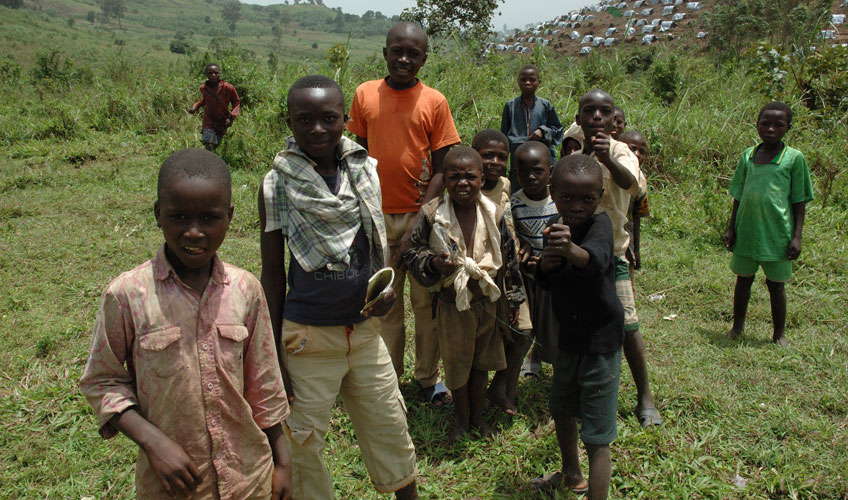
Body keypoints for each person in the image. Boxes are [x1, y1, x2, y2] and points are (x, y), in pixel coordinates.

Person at [80, 148, 292, 500]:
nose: (194, 232)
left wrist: (283, 460)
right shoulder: (127, 295)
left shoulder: (245, 290)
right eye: (179, 217)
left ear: (230, 217)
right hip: (173, 487)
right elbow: (101, 380)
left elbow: (264, 382)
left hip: (248, 477)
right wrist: (153, 441)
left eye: (209, 218)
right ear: (157, 214)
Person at [259, 76, 418, 500]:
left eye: (328, 118)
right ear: (289, 121)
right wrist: (272, 351)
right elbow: (273, 274)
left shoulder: (365, 170)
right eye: (304, 119)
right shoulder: (277, 184)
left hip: (365, 335)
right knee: (302, 449)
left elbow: (374, 242)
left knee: (391, 429)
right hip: (306, 340)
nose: (317, 129)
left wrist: (385, 291)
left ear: (345, 119)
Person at [347, 22, 461, 406]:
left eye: (413, 54)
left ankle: (428, 378)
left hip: (423, 218)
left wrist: (421, 216)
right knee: (385, 301)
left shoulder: (434, 101)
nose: (404, 59)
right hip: (376, 218)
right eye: (397, 51)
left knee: (426, 303)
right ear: (385, 52)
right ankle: (388, 379)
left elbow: (443, 168)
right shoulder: (364, 95)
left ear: (424, 59)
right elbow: (357, 157)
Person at [403, 147, 525, 443]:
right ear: (444, 181)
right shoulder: (433, 214)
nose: (462, 183)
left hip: (486, 302)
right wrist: (432, 263)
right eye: (454, 177)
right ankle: (460, 421)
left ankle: (478, 418)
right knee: (458, 367)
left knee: (481, 363)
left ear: (482, 180)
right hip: (451, 305)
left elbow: (509, 261)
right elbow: (410, 252)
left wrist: (514, 300)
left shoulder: (494, 213)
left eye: (470, 176)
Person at [530, 154, 623, 500]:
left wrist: (569, 250)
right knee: (561, 407)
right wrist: (547, 264)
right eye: (567, 197)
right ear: (552, 192)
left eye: (587, 198)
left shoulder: (600, 225)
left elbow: (596, 261)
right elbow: (549, 280)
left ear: (600, 195)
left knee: (597, 436)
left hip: (600, 342)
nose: (577, 206)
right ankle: (571, 473)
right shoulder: (555, 225)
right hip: (569, 339)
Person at [575, 89, 660, 429]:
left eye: (604, 112)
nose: (596, 117)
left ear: (614, 121)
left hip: (612, 254)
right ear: (579, 117)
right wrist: (582, 153)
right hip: (577, 251)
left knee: (627, 324)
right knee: (578, 319)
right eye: (589, 111)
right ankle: (581, 386)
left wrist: (606, 158)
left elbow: (632, 186)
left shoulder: (622, 150)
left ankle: (645, 395)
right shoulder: (571, 140)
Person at [723, 101, 813, 346]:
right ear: (757, 125)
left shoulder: (794, 158)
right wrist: (731, 227)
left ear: (788, 128)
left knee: (776, 286)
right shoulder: (748, 156)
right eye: (765, 124)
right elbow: (738, 195)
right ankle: (737, 326)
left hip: (777, 234)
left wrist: (797, 236)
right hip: (747, 231)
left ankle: (778, 334)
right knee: (743, 280)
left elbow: (799, 200)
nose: (770, 129)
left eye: (778, 125)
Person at [472, 129, 532, 415]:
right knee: (487, 337)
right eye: (487, 156)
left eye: (501, 157)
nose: (494, 162)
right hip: (483, 274)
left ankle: (502, 387)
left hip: (511, 271)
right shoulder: (466, 186)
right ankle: (479, 401)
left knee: (523, 330)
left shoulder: (506, 185)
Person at [511, 141, 560, 380]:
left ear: (550, 170)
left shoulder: (559, 201)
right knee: (525, 325)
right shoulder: (514, 204)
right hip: (527, 278)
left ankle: (557, 370)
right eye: (523, 171)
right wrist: (521, 248)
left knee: (552, 325)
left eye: (538, 170)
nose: (530, 176)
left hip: (553, 278)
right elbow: (512, 235)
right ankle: (523, 366)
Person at [500, 64, 563, 192]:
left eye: (532, 79)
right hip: (519, 159)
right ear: (518, 82)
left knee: (545, 191)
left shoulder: (546, 106)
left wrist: (543, 131)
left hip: (541, 159)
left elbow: (557, 130)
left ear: (539, 82)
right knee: (518, 193)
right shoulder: (510, 106)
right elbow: (504, 138)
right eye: (523, 80)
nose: (527, 83)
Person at [188, 63, 240, 151]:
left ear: (220, 74)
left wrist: (232, 116)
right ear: (206, 74)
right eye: (210, 73)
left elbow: (236, 103)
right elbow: (204, 100)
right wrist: (195, 107)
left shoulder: (228, 88)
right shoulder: (204, 88)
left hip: (222, 121)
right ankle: (206, 162)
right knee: (209, 143)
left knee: (215, 144)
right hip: (209, 120)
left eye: (216, 73)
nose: (213, 75)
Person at [620, 130, 651, 271]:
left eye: (642, 151)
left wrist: (636, 251)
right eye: (632, 149)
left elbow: (637, 217)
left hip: (627, 241)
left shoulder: (640, 180)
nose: (637, 154)